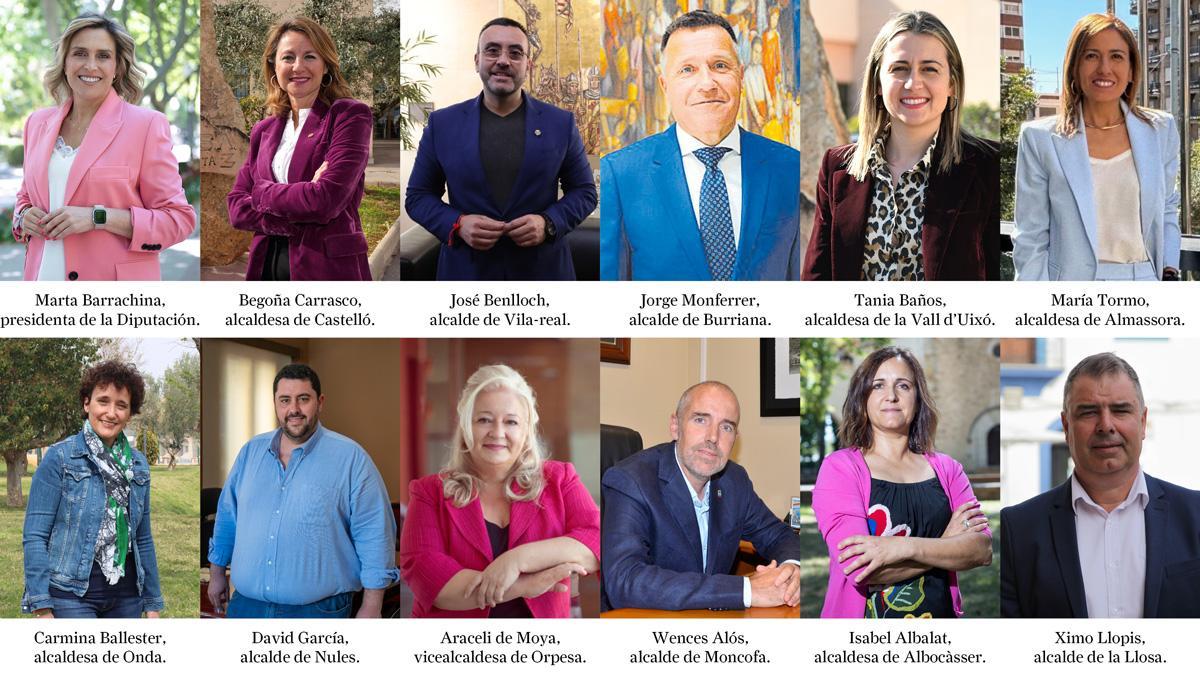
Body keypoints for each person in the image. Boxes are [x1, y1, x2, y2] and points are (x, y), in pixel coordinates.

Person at [600, 10, 800, 281]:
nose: (707, 84)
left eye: (720, 65)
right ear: (665, 85)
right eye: (687, 69)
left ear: (741, 76)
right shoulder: (620, 175)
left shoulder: (791, 168)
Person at [803, 11, 999, 281]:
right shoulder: (837, 167)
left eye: (929, 69)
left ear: (951, 84)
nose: (913, 83)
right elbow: (816, 278)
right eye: (899, 68)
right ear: (878, 83)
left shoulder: (989, 166)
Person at [1001, 353, 1200, 618]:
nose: (1106, 425)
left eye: (1120, 410)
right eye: (1089, 412)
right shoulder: (1018, 530)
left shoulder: (1195, 515)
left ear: (1142, 422)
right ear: (1066, 426)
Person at [404, 18, 597, 281]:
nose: (503, 60)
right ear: (477, 60)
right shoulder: (442, 124)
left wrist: (548, 223)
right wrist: (457, 224)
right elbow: (418, 196)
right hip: (467, 274)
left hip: (543, 273)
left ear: (528, 65)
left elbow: (585, 192)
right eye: (492, 50)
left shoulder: (560, 123)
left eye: (515, 53)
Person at [400, 365, 600, 617]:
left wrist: (517, 560)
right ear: (466, 426)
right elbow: (429, 579)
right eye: (484, 420)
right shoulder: (428, 493)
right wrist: (523, 585)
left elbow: (596, 543)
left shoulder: (560, 479)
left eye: (511, 422)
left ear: (526, 431)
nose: (497, 433)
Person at [11, 13, 194, 281]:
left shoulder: (146, 126)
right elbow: (25, 197)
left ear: (117, 67)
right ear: (65, 62)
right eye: (80, 53)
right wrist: (24, 216)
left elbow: (178, 220)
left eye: (103, 56)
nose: (91, 65)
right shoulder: (37, 123)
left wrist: (97, 217)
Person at [207, 364, 398, 618]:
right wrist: (217, 573)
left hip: (319, 611)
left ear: (320, 402)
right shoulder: (250, 452)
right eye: (285, 400)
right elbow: (227, 517)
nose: (294, 409)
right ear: (275, 404)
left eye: (303, 399)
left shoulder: (351, 459)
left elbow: (374, 534)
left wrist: (372, 605)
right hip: (246, 606)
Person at [813, 347, 991, 618]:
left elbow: (981, 549)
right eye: (878, 385)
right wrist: (946, 544)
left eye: (903, 385)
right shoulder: (840, 468)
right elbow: (860, 569)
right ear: (863, 397)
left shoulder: (948, 469)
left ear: (918, 398)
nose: (891, 396)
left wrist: (902, 547)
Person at [602, 381, 802, 611]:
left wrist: (791, 569)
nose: (713, 437)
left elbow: (780, 535)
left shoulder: (734, 481)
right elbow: (625, 580)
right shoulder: (631, 480)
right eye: (700, 420)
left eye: (726, 427)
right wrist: (745, 590)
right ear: (675, 426)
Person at [1012, 14, 1179, 281]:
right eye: (1091, 56)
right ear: (1074, 67)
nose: (1104, 68)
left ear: (1132, 70)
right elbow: (1030, 237)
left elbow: (1168, 206)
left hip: (1145, 279)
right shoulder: (1039, 139)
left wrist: (1169, 268)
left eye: (1116, 56)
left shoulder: (1160, 130)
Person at [226, 17, 372, 281]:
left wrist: (260, 192)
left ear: (326, 65)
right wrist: (301, 202)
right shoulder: (263, 130)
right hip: (266, 267)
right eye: (288, 57)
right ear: (274, 66)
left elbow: (325, 201)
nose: (298, 67)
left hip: (326, 270)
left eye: (310, 56)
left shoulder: (348, 115)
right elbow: (236, 208)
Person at [22, 361, 163, 618]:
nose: (111, 413)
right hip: (70, 596)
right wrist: (41, 605)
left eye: (121, 405)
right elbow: (35, 536)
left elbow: (143, 538)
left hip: (127, 597)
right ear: (87, 404)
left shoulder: (138, 465)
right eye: (103, 401)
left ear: (129, 413)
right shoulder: (59, 458)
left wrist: (152, 602)